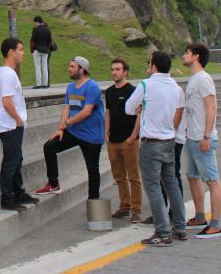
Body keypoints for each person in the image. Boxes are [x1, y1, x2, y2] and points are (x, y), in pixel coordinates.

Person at [125, 51, 187, 246]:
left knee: (153, 187)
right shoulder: (176, 88)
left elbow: (128, 108)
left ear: (154, 66)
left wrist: (141, 107)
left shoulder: (146, 84)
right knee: (172, 185)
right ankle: (180, 226)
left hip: (151, 143)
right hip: (170, 141)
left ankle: (162, 231)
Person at [35, 56, 104, 200]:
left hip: (91, 136)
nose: (69, 69)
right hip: (74, 131)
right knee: (49, 147)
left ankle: (94, 203)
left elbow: (87, 111)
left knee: (92, 170)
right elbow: (67, 107)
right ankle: (53, 183)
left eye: (72, 66)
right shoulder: (71, 87)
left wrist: (67, 123)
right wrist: (61, 128)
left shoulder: (92, 87)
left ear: (82, 69)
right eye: (69, 66)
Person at [182, 42, 221, 238]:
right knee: (192, 176)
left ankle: (215, 224)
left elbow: (211, 108)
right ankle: (200, 215)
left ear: (196, 56)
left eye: (187, 53)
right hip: (191, 138)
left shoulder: (204, 79)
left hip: (202, 138)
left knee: (212, 180)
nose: (183, 56)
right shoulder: (193, 79)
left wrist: (206, 136)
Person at [0, 37, 39, 211]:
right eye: (20, 49)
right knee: (11, 161)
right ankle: (7, 198)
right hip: (10, 125)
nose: (23, 53)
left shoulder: (7, 73)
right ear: (11, 52)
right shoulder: (6, 74)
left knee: (17, 159)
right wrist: (18, 119)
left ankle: (18, 192)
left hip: (12, 124)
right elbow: (6, 102)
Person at [104, 59, 142, 223]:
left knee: (133, 176)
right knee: (119, 176)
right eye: (112, 69)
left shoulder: (133, 90)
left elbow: (139, 114)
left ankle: (136, 208)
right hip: (113, 140)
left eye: (118, 69)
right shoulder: (110, 91)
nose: (114, 72)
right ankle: (124, 205)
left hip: (129, 140)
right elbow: (108, 113)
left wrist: (133, 136)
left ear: (125, 72)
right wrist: (106, 132)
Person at [29, 16, 53, 88]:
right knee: (45, 67)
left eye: (35, 23)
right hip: (45, 50)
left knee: (38, 67)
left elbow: (33, 40)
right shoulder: (47, 29)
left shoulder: (35, 29)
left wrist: (32, 49)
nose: (35, 24)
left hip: (37, 50)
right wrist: (47, 48)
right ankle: (45, 84)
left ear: (37, 21)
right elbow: (50, 41)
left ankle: (38, 84)